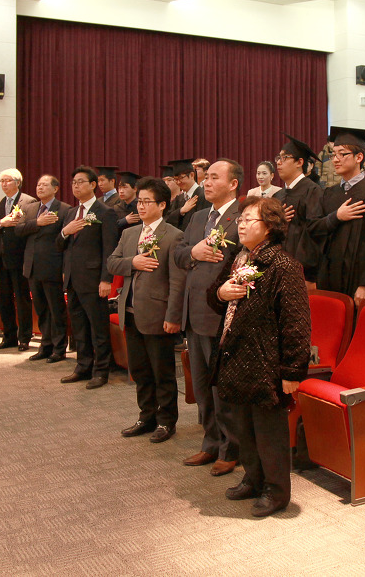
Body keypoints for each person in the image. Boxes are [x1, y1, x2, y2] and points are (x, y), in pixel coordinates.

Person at [208, 196, 310, 518]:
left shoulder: (283, 266)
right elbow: (214, 296)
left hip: (265, 363)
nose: (241, 224)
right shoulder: (238, 258)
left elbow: (296, 322)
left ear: (269, 227)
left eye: (249, 219)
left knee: (269, 433)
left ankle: (276, 491)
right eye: (240, 219)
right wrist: (221, 293)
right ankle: (253, 479)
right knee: (244, 429)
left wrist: (292, 371)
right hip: (236, 357)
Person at [173, 159, 243, 476]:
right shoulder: (199, 216)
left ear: (233, 184)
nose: (207, 182)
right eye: (206, 177)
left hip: (221, 314)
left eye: (215, 177)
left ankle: (231, 449)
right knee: (201, 388)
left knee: (221, 389)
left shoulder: (242, 217)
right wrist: (194, 252)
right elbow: (177, 254)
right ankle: (210, 443)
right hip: (194, 313)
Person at [107, 177, 186, 445]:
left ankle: (166, 421)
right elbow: (112, 263)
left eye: (146, 202)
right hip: (130, 312)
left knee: (162, 372)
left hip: (157, 314)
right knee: (140, 371)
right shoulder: (129, 234)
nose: (140, 206)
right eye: (139, 201)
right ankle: (146, 417)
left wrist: (173, 316)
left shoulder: (173, 235)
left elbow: (177, 281)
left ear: (162, 205)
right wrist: (134, 262)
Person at [312, 127, 365, 306]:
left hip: (358, 280)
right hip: (329, 277)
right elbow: (314, 228)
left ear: (359, 157)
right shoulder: (329, 194)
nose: (335, 159)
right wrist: (336, 217)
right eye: (333, 154)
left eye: (342, 154)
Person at [57, 166, 119, 388]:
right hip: (73, 279)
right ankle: (82, 367)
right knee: (79, 326)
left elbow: (109, 248)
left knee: (98, 328)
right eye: (73, 182)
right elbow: (60, 245)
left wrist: (106, 279)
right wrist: (66, 231)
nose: (75, 186)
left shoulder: (105, 212)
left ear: (93, 185)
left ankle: (101, 371)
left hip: (94, 280)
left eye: (80, 182)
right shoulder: (71, 213)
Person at [17, 175, 71, 363]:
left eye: (44, 185)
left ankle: (59, 348)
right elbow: (18, 230)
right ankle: (45, 346)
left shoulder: (64, 209)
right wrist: (37, 223)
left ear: (55, 189)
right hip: (32, 266)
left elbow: (66, 241)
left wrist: (64, 268)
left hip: (53, 266)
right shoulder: (30, 208)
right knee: (41, 309)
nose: (40, 188)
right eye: (38, 184)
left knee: (56, 310)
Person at [0, 168, 39, 351]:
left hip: (20, 257)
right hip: (1, 258)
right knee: (5, 299)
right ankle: (9, 336)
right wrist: (2, 223)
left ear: (18, 182)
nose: (4, 184)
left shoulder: (29, 201)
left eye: (7, 180)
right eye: (1, 181)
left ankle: (24, 337)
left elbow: (31, 227)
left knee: (22, 298)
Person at [274, 134, 323, 283]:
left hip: (301, 271)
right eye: (278, 158)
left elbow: (315, 232)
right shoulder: (278, 195)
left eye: (284, 158)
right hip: (276, 266)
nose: (278, 162)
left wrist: (306, 270)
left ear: (299, 162)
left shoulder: (312, 191)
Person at [165, 158, 206, 230]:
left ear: (192, 175)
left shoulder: (203, 196)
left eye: (181, 178)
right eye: (176, 179)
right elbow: (168, 219)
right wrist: (181, 211)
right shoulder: (179, 198)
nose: (178, 182)